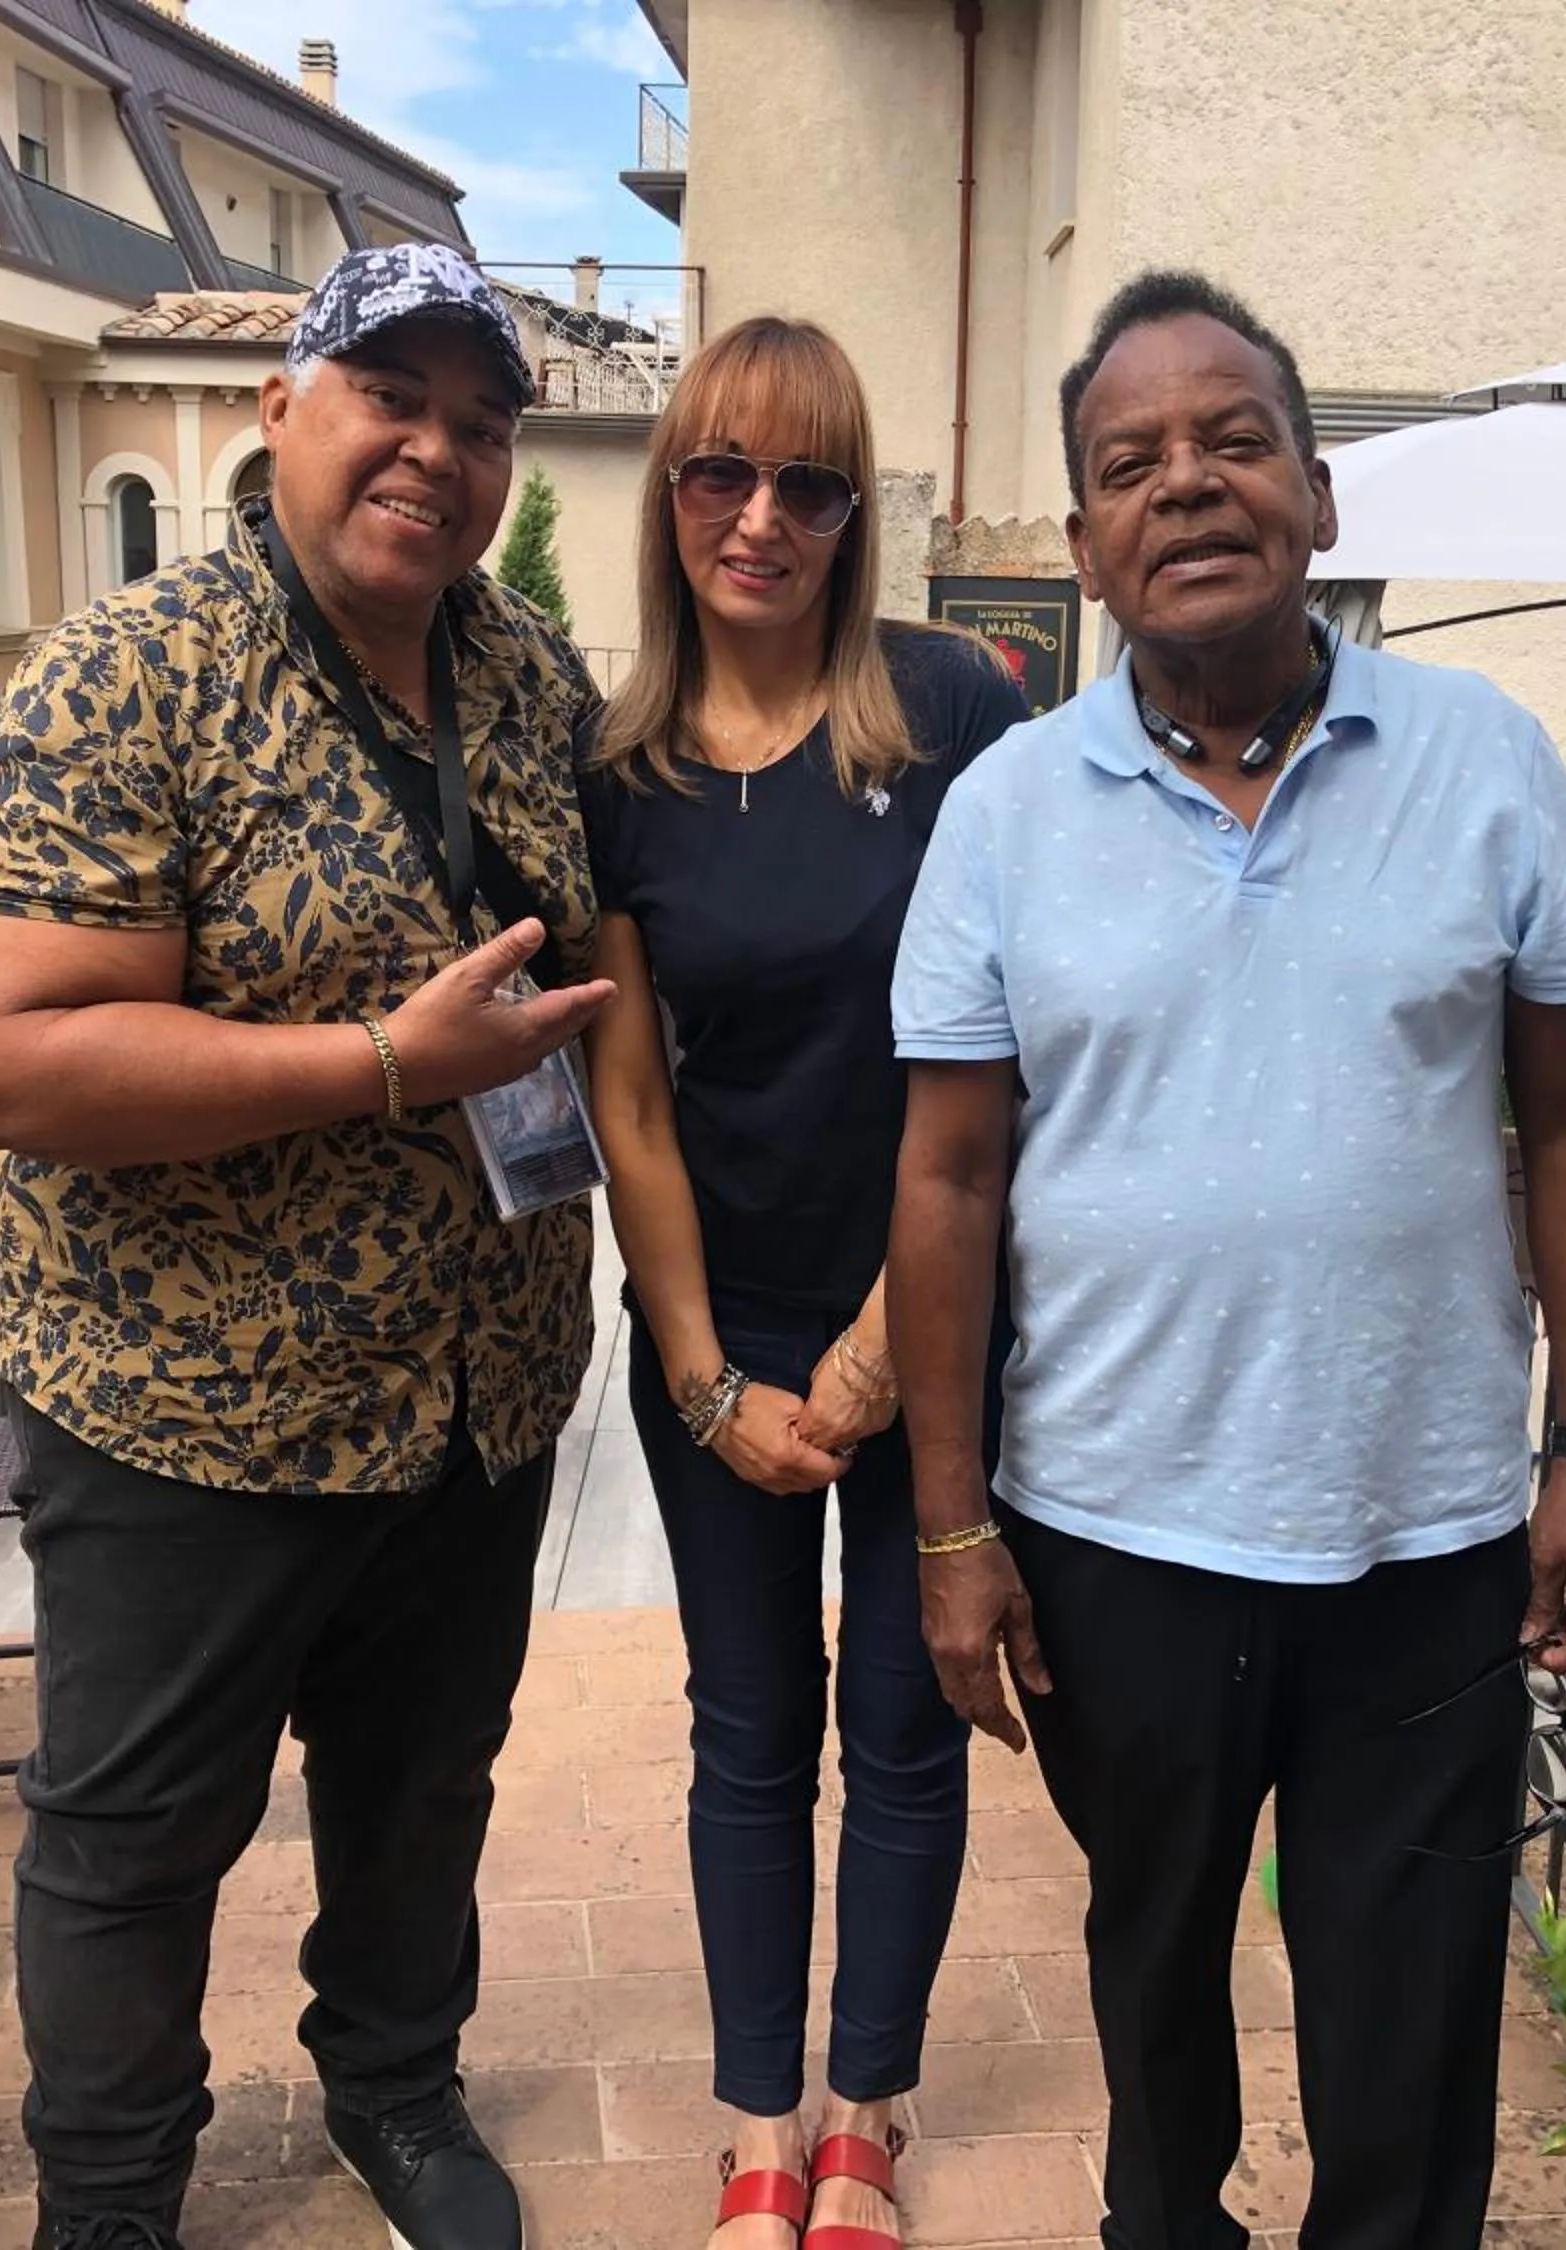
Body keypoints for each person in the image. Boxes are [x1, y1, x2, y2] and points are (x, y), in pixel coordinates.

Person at [884, 270, 1566, 2250]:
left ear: (1319, 495)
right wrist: (951, 1529)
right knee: (1154, 2003)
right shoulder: (1004, 815)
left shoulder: (1489, 762)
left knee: (1406, 2046)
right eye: (1132, 464)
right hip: (1114, 1539)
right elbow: (950, 1184)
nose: (1188, 487)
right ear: (1080, 546)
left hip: (1426, 1536)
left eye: (1233, 443)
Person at [0, 242, 614, 2250]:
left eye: (484, 423)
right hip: (189, 1406)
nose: (439, 452)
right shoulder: (132, 674)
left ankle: (393, 2084)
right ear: (284, 409)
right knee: (135, 1837)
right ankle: (112, 2201)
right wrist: (391, 1060)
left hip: (473, 1388)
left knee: (421, 1788)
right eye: (394, 397)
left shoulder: (521, 671)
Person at [576, 317, 1032, 2250]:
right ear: (670, 491)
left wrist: (870, 1359)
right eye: (718, 474)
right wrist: (700, 1376)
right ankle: (761, 2131)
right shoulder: (621, 769)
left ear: (857, 514)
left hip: (923, 1322)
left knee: (907, 1718)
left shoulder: (952, 715)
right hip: (716, 1334)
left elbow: (1010, 1052)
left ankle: (869, 2111)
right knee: (747, 1725)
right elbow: (634, 1107)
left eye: (806, 483)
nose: (757, 518)